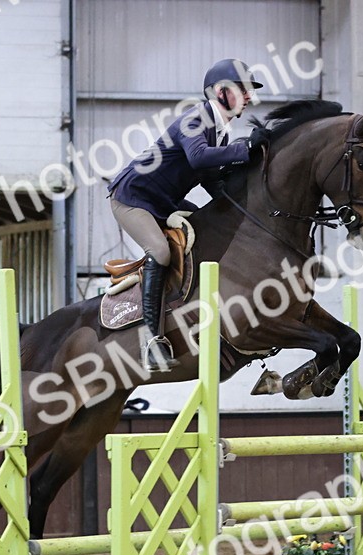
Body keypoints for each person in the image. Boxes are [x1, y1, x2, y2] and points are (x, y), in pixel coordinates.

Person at [108, 58, 268, 371]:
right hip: (133, 198)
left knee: (209, 230)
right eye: (244, 91)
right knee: (161, 251)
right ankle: (152, 340)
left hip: (165, 202)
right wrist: (245, 148)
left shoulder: (219, 132)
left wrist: (247, 213)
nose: (250, 97)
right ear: (222, 92)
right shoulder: (195, 118)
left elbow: (211, 182)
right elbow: (198, 159)